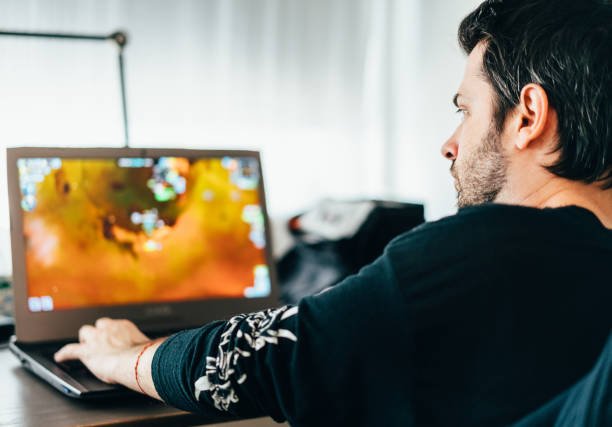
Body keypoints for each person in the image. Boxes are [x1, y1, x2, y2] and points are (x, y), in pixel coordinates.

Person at [55, 0, 612, 425]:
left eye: (466, 110)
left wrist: (121, 356)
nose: (450, 143)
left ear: (528, 116)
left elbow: (249, 362)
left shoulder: (488, 249)